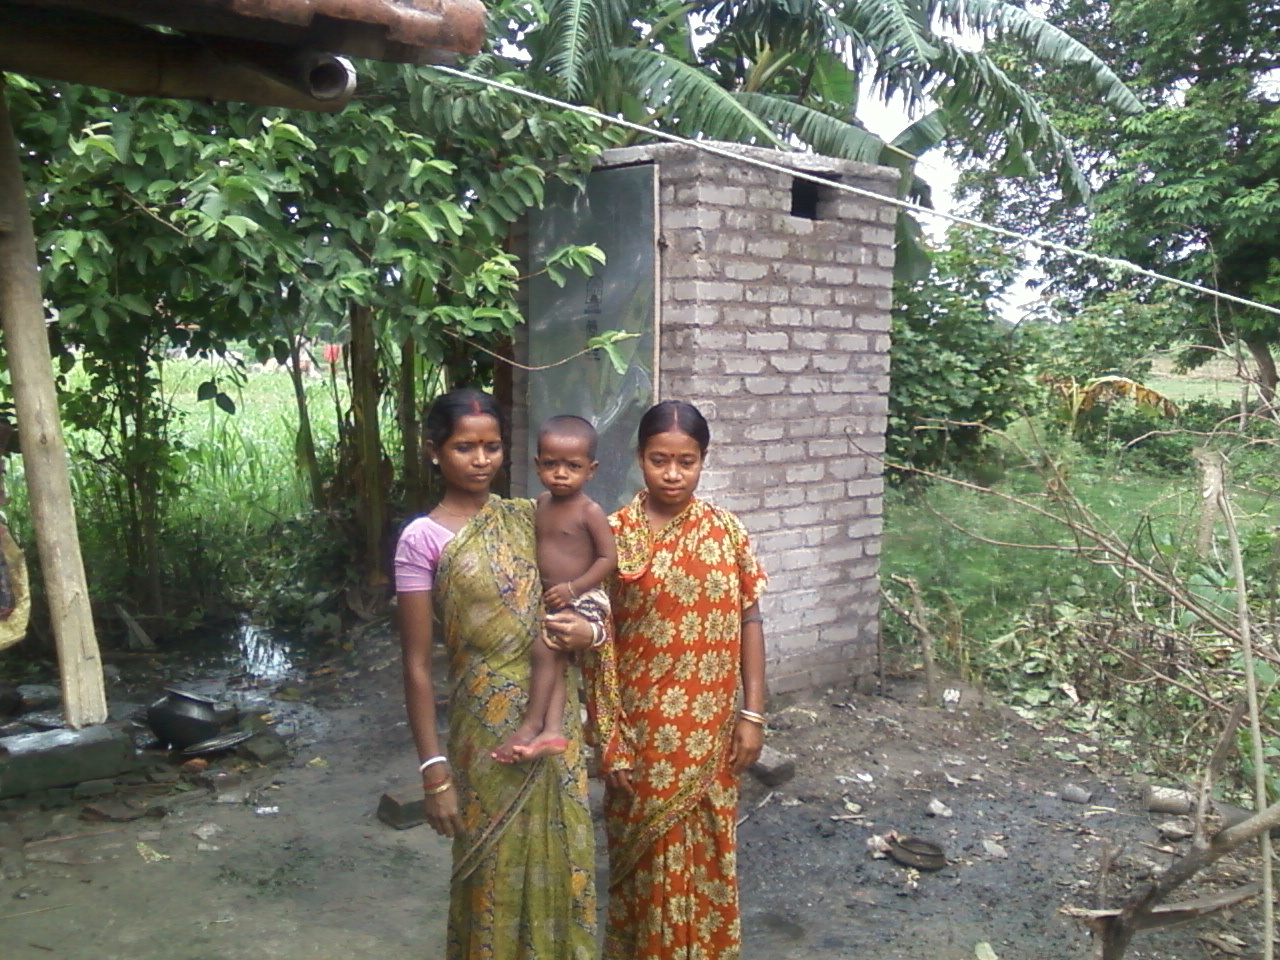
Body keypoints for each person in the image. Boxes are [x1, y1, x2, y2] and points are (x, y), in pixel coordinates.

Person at [394, 388, 599, 960]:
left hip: (553, 716)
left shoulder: (529, 517)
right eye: (464, 447)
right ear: (434, 451)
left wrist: (589, 629)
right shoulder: (422, 539)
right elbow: (416, 664)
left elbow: (593, 586)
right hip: (484, 731)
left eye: (492, 447)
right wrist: (434, 772)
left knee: (565, 861)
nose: (481, 460)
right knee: (489, 873)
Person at [592, 399, 768, 960]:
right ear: (639, 458)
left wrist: (753, 713)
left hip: (712, 736)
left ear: (703, 460)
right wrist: (610, 738)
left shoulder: (727, 532)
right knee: (645, 870)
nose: (672, 474)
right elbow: (599, 648)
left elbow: (750, 620)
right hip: (643, 738)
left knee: (709, 858)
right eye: (659, 460)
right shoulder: (613, 536)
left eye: (686, 462)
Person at [494, 415, 617, 763]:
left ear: (591, 470)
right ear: (537, 465)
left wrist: (574, 588)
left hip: (585, 597)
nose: (561, 473)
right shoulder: (541, 505)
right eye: (551, 464)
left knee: (545, 648)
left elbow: (608, 558)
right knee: (554, 660)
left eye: (572, 466)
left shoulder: (589, 511)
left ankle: (531, 725)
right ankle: (552, 731)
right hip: (554, 601)